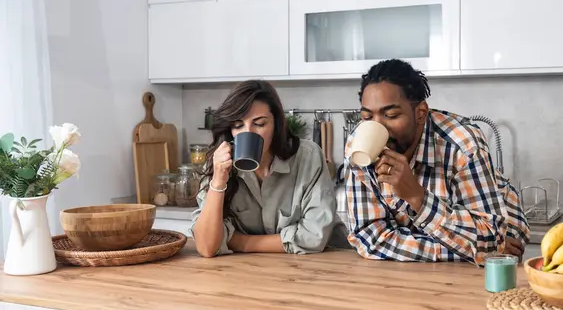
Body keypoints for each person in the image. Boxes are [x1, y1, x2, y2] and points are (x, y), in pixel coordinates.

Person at [344, 59, 530, 263]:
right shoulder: (359, 146)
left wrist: (417, 197)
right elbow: (370, 238)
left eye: (391, 115)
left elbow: (491, 237)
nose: (377, 127)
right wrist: (465, 251)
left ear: (421, 113)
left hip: (501, 221)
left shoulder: (463, 144)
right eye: (367, 116)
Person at [191, 80, 349, 257]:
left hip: (328, 262)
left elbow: (314, 236)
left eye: (259, 124)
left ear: (276, 125)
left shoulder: (308, 156)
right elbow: (206, 247)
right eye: (238, 125)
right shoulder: (219, 163)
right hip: (256, 272)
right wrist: (219, 180)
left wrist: (242, 242)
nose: (248, 132)